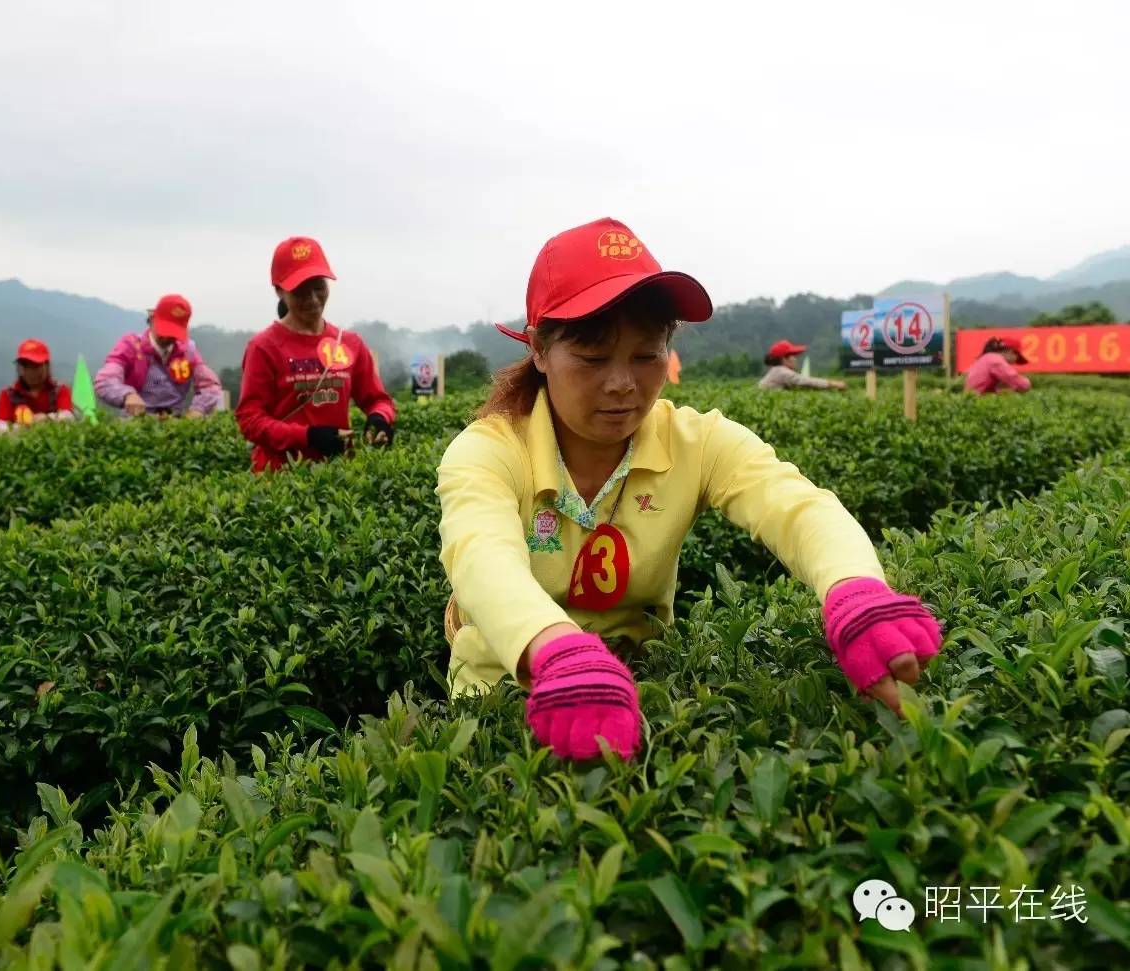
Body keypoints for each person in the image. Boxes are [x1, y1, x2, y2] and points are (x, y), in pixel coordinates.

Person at [436, 217, 942, 761]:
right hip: (501, 701)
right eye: (592, 357)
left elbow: (795, 505)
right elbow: (482, 557)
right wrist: (554, 651)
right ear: (538, 350)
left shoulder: (696, 441)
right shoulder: (488, 450)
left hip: (648, 689)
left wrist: (855, 591)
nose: (622, 384)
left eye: (646, 355)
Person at [235, 235, 397, 472]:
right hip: (279, 478)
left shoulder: (349, 343)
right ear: (279, 290)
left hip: (338, 474)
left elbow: (377, 399)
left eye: (318, 287)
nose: (313, 299)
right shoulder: (264, 347)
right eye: (300, 291)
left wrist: (380, 418)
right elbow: (250, 419)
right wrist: (308, 436)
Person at [94, 295, 224, 418]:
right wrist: (127, 394)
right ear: (152, 320)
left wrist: (198, 409)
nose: (167, 337)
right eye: (164, 330)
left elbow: (210, 386)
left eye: (173, 332)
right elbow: (105, 381)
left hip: (176, 424)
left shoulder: (188, 350)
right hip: (135, 424)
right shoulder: (130, 345)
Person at [0, 339, 75, 434]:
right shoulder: (7, 395)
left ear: (46, 366)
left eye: (36, 366)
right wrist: (23, 427)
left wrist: (47, 418)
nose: (31, 372)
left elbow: (68, 417)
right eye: (26, 366)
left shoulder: (60, 391)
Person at [759, 340, 846, 391]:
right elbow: (805, 381)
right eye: (793, 356)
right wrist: (833, 384)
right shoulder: (781, 372)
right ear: (784, 359)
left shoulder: (777, 370)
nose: (795, 359)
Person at [964, 336, 1031, 395]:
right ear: (1010, 351)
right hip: (977, 402)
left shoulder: (987, 358)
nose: (1015, 362)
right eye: (1017, 357)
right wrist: (1027, 382)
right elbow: (1020, 384)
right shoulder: (995, 360)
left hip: (973, 400)